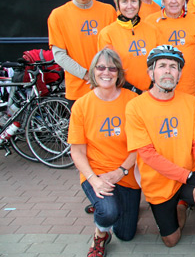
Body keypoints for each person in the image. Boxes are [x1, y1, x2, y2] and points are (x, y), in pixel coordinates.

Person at [125, 45, 195, 257]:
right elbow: (148, 154)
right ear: (151, 72)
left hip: (191, 175)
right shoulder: (135, 107)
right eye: (162, 66)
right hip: (160, 182)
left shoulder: (190, 102)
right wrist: (187, 176)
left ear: (179, 74)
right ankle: (181, 205)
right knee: (171, 241)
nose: (168, 71)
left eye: (173, 67)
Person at [68, 48, 141, 257]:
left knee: (126, 234)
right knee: (108, 212)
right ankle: (100, 235)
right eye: (101, 67)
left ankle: (112, 208)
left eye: (112, 68)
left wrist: (120, 171)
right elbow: (77, 151)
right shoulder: (82, 105)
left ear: (119, 73)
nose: (106, 72)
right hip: (96, 172)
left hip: (125, 173)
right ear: (93, 71)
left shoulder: (132, 101)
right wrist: (94, 180)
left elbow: (140, 146)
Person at [48, 0, 116, 105]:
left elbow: (116, 48)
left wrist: (104, 76)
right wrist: (87, 75)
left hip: (107, 87)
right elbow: (59, 55)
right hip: (78, 91)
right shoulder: (58, 15)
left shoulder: (108, 11)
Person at [145, 0, 195, 102]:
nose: (173, 1)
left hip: (189, 90)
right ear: (162, 0)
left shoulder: (194, 21)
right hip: (160, 90)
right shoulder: (150, 22)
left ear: (184, 0)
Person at [97, 0, 161, 94]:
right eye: (124, 1)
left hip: (150, 94)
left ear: (139, 3)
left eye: (133, 0)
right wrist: (136, 91)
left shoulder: (153, 30)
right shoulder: (107, 34)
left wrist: (153, 87)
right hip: (121, 94)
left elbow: (158, 63)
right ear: (117, 4)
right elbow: (109, 71)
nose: (130, 6)